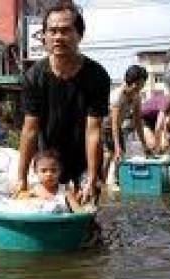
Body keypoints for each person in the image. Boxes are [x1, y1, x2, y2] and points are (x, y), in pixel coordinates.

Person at [17, 3, 110, 203]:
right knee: (46, 215)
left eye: (66, 31)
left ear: (79, 35)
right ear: (44, 36)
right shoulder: (33, 77)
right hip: (49, 161)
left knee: (86, 216)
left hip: (85, 161)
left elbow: (93, 131)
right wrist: (21, 177)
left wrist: (92, 178)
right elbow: (30, 129)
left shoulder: (97, 76)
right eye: (53, 31)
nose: (58, 37)